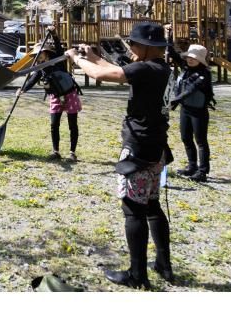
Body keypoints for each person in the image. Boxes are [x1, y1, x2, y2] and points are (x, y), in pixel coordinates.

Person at [66, 23, 173, 289]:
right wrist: (91, 55)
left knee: (133, 209)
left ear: (147, 48)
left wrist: (76, 59)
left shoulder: (145, 68)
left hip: (138, 148)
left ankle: (137, 275)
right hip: (156, 146)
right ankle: (163, 264)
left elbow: (102, 75)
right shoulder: (162, 68)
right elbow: (112, 68)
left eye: (134, 44)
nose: (131, 48)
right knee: (151, 205)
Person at [20, 25, 82, 161]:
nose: (37, 57)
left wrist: (54, 34)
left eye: (39, 54)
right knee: (54, 124)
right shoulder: (40, 68)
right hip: (55, 97)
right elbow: (32, 79)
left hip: (69, 94)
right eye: (36, 55)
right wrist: (23, 90)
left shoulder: (58, 59)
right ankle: (56, 151)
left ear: (46, 52)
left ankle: (72, 153)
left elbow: (59, 46)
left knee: (72, 124)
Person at [172, 44, 216, 183]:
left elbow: (191, 88)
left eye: (194, 58)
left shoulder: (205, 74)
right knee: (186, 138)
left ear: (200, 60)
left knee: (201, 141)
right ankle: (192, 166)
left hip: (199, 112)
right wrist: (168, 37)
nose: (190, 60)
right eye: (189, 57)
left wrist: (176, 99)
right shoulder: (185, 69)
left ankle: (202, 171)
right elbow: (172, 54)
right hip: (185, 109)